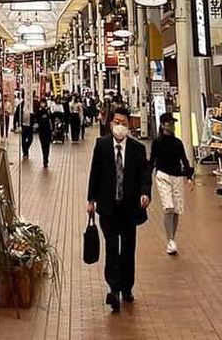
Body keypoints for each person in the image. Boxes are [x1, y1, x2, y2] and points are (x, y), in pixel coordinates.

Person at [87, 104, 151, 313]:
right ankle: (113, 289)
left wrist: (145, 193)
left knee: (128, 249)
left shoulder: (138, 149)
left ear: (129, 125)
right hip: (108, 206)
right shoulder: (102, 145)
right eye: (117, 123)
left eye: (124, 123)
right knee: (112, 247)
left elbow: (144, 176)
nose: (120, 127)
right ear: (110, 123)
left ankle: (127, 287)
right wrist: (91, 200)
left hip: (130, 207)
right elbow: (94, 173)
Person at [149, 112, 194, 255]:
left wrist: (189, 176)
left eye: (173, 123)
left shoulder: (178, 143)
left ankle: (172, 238)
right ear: (162, 125)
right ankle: (169, 240)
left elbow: (184, 159)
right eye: (169, 123)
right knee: (168, 208)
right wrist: (145, 179)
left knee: (176, 210)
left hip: (177, 177)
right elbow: (152, 161)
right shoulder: (157, 142)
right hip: (162, 176)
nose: (172, 126)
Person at [36, 99, 53, 170]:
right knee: (43, 146)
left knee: (47, 146)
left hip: (48, 131)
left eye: (43, 103)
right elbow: (37, 118)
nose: (42, 104)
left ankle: (46, 159)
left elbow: (51, 119)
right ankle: (44, 159)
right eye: (41, 103)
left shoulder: (48, 111)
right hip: (41, 131)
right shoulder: (39, 111)